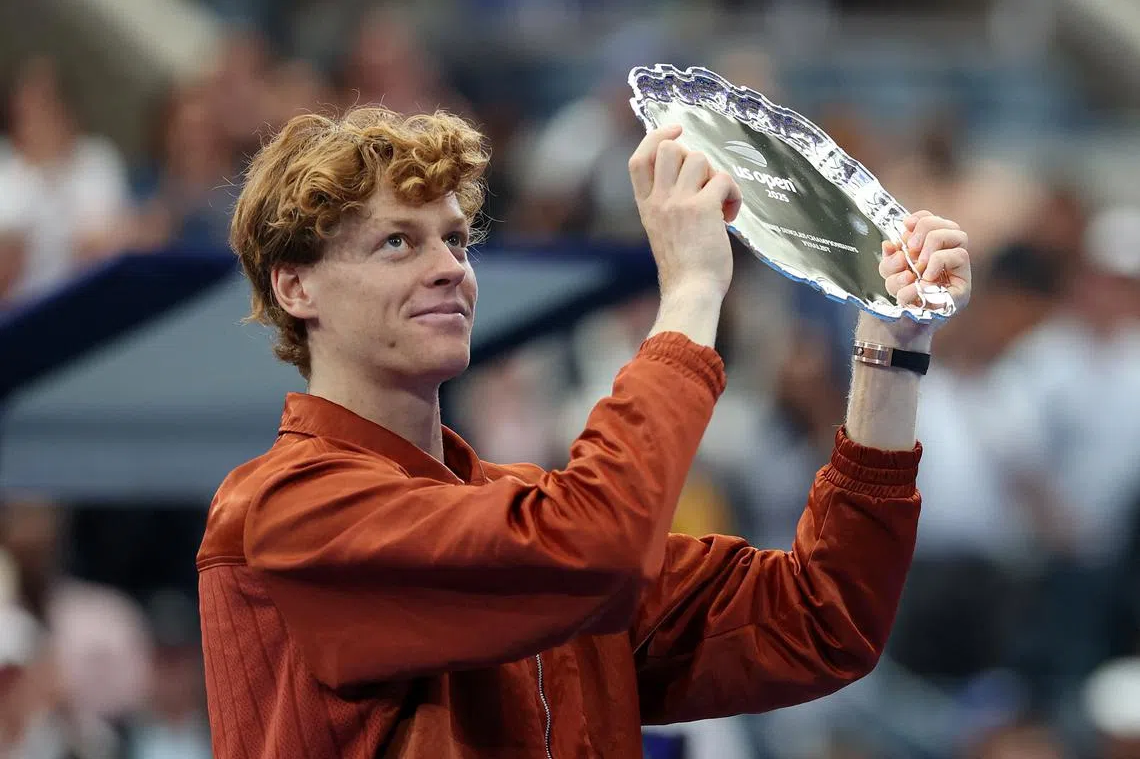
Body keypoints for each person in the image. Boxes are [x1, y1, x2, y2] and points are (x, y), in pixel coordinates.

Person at [197, 107, 972, 758]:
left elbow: (823, 617)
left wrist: (889, 350)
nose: (449, 269)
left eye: (456, 240)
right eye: (397, 241)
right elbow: (591, 544)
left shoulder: (530, 517)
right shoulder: (282, 511)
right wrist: (693, 290)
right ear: (295, 286)